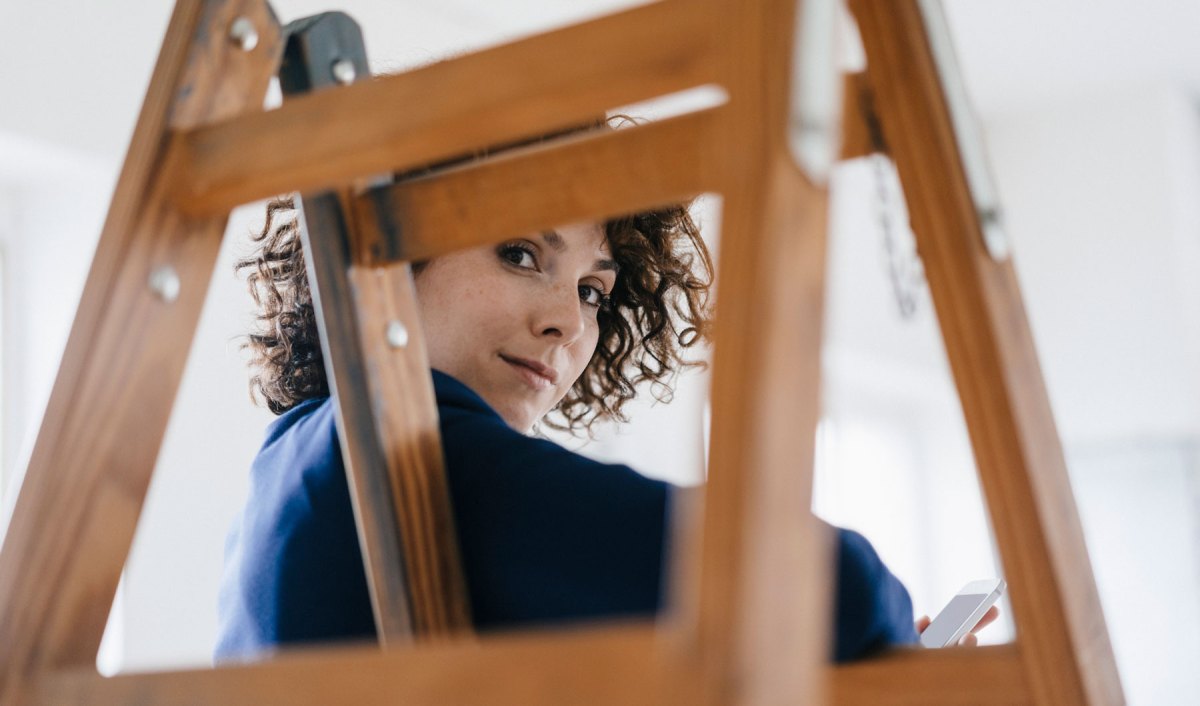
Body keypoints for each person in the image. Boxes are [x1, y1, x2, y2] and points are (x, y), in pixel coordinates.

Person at [215, 183, 937, 664]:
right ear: (394, 260)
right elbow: (832, 584)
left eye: (593, 291)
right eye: (521, 253)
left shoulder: (296, 454)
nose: (569, 321)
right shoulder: (416, 446)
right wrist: (898, 652)